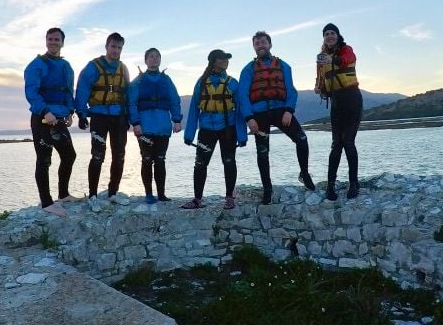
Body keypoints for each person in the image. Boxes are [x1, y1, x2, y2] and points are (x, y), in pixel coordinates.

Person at [237, 31, 315, 204]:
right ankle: (267, 188)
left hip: (281, 111)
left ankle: (304, 173)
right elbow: (242, 95)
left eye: (263, 42)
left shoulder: (283, 66)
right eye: (257, 43)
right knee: (263, 152)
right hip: (259, 115)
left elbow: (291, 90)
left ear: (270, 44)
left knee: (302, 139)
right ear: (254, 47)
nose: (260, 45)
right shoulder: (248, 69)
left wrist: (289, 110)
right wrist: (249, 118)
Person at [23, 27, 79, 216]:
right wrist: (45, 111)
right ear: (46, 41)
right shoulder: (36, 65)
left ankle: (63, 194)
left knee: (69, 155)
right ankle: (46, 202)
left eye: (57, 39)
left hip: (60, 118)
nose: (53, 42)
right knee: (44, 160)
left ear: (62, 43)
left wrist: (70, 111)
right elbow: (31, 92)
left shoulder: (66, 67)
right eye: (50, 39)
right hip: (42, 119)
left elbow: (68, 92)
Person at [181, 49, 247, 210]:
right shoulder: (202, 82)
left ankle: (230, 198)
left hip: (228, 129)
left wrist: (242, 135)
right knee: (200, 164)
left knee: (229, 162)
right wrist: (189, 134)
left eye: (226, 59)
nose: (226, 61)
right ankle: (197, 199)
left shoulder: (232, 83)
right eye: (223, 58)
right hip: (206, 129)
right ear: (214, 61)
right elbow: (194, 109)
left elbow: (240, 109)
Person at [75, 32, 131, 204]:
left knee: (119, 156)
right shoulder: (93, 67)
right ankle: (92, 196)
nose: (116, 50)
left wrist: (130, 116)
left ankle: (113, 193)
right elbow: (82, 89)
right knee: (98, 155)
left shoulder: (123, 69)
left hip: (119, 117)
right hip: (99, 116)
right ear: (106, 46)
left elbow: (128, 94)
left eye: (119, 47)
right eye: (113, 46)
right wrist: (81, 114)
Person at [128, 48, 183, 205]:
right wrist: (136, 123)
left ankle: (161, 194)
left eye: (157, 57)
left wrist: (177, 120)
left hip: (163, 127)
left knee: (160, 160)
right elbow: (131, 103)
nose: (154, 59)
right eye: (151, 57)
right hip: (145, 127)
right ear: (146, 60)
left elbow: (174, 100)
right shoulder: (138, 81)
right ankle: (148, 193)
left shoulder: (166, 80)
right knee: (146, 159)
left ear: (160, 60)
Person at [314, 22, 363, 200]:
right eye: (326, 34)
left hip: (352, 99)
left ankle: (354, 183)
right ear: (324, 38)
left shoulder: (346, 50)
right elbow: (322, 81)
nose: (329, 36)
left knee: (348, 142)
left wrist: (332, 60)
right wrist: (320, 89)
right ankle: (330, 186)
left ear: (337, 35)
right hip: (336, 103)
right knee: (336, 145)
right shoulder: (321, 58)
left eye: (332, 33)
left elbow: (346, 60)